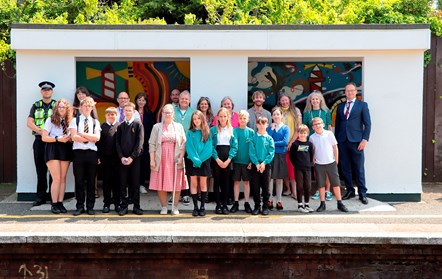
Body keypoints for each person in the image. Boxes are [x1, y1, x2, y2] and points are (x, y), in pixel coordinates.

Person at [335, 82, 371, 205]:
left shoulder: (362, 105)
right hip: (343, 141)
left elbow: (368, 124)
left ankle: (362, 193)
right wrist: (336, 142)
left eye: (352, 90)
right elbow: (338, 125)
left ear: (356, 92)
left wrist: (364, 140)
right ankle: (349, 190)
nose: (349, 93)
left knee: (359, 168)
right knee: (345, 168)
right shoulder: (340, 107)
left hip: (357, 142)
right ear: (345, 92)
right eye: (347, 91)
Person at [149, 104, 187, 215]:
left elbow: (183, 143)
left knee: (177, 183)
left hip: (175, 159)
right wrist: (152, 159)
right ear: (162, 114)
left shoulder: (179, 126)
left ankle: (175, 207)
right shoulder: (156, 127)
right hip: (161, 158)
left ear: (173, 114)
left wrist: (181, 157)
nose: (167, 114)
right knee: (160, 183)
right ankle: (164, 207)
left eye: (169, 112)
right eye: (165, 112)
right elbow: (152, 144)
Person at [69, 97, 101, 216]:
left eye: (89, 106)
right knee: (79, 181)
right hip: (78, 153)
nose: (87, 108)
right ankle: (79, 206)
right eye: (85, 106)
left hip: (91, 154)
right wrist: (89, 137)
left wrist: (81, 134)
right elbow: (74, 137)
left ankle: (90, 207)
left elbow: (97, 138)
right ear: (81, 107)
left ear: (92, 107)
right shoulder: (74, 121)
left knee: (91, 182)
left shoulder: (95, 122)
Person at [309, 117, 348, 213]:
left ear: (323, 124)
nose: (317, 125)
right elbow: (313, 150)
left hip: (331, 162)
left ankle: (340, 203)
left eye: (319, 123)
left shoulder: (329, 134)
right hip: (319, 163)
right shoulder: (312, 137)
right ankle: (322, 203)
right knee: (321, 184)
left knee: (335, 183)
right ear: (313, 127)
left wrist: (336, 160)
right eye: (315, 124)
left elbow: (335, 147)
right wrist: (313, 159)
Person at [27, 81, 56, 206]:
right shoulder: (36, 105)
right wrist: (41, 131)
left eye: (48, 89)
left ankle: (52, 196)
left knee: (53, 170)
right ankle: (41, 197)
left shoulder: (57, 105)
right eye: (44, 89)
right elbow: (29, 122)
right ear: (41, 91)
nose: (46, 91)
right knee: (40, 169)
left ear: (52, 91)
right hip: (39, 141)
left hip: (53, 142)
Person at [41, 99, 73, 214]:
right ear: (56, 108)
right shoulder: (50, 120)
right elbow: (44, 137)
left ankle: (60, 203)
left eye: (63, 107)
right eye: (59, 107)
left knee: (63, 178)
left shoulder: (70, 121)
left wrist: (69, 138)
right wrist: (57, 139)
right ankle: (54, 203)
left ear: (67, 109)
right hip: (53, 147)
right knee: (57, 178)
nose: (61, 109)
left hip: (65, 148)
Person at [302, 90, 333, 201]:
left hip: (325, 141)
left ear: (320, 100)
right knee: (316, 166)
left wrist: (331, 141)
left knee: (327, 165)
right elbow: (304, 129)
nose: (315, 101)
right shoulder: (306, 113)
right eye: (313, 99)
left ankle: (328, 190)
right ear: (310, 101)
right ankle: (319, 189)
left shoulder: (326, 111)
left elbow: (329, 127)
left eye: (317, 99)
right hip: (312, 142)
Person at [116, 102, 144, 216]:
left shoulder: (138, 125)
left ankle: (136, 206)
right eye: (126, 110)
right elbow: (117, 143)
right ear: (123, 112)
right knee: (123, 183)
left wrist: (132, 157)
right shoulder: (120, 126)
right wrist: (121, 156)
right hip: (123, 159)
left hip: (135, 159)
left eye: (130, 110)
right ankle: (124, 206)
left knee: (135, 183)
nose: (127, 112)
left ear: (134, 112)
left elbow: (140, 143)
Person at [73, 86, 100, 198]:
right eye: (78, 94)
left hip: (91, 144)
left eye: (83, 93)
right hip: (77, 145)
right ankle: (79, 195)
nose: (81, 95)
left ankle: (94, 190)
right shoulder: (74, 109)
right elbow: (74, 133)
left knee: (92, 173)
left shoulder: (92, 110)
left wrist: (84, 135)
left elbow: (96, 135)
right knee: (78, 175)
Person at [210, 107, 238, 214]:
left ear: (228, 117)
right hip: (217, 158)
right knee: (217, 182)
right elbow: (211, 146)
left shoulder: (232, 130)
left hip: (228, 158)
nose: (222, 118)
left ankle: (225, 205)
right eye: (221, 116)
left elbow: (235, 146)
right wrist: (217, 159)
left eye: (225, 116)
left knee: (226, 182)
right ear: (217, 117)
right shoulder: (213, 130)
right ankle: (218, 205)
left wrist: (229, 159)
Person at [186, 110, 213, 217]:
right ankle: (195, 207)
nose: (196, 121)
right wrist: (195, 160)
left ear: (202, 119)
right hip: (192, 161)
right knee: (193, 183)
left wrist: (200, 160)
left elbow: (209, 149)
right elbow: (189, 147)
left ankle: (202, 207)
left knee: (203, 183)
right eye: (194, 119)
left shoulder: (207, 132)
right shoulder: (190, 132)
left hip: (204, 161)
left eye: (198, 118)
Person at [249, 117, 275, 215]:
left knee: (266, 187)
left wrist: (264, 163)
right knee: (255, 187)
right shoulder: (253, 138)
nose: (261, 126)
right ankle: (256, 206)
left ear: (267, 125)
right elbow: (252, 152)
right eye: (259, 124)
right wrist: (256, 163)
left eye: (263, 124)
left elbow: (271, 153)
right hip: (256, 166)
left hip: (266, 166)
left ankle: (265, 206)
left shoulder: (269, 139)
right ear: (256, 125)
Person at [173, 90, 195, 205]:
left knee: (187, 170)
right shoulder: (172, 111)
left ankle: (186, 194)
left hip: (189, 145)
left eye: (186, 99)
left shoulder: (193, 112)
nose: (184, 100)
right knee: (176, 169)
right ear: (179, 99)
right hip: (176, 145)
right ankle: (175, 193)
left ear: (189, 100)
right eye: (182, 98)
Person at [97, 107, 121, 213]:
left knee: (117, 182)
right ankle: (106, 204)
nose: (111, 116)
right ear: (106, 115)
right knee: (106, 182)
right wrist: (98, 157)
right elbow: (98, 144)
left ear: (117, 115)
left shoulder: (120, 126)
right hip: (105, 159)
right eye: (109, 114)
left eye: (113, 114)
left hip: (117, 159)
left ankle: (117, 204)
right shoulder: (102, 127)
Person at [231, 110, 254, 214]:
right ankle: (236, 202)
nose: (243, 120)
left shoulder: (251, 132)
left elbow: (253, 148)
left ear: (248, 119)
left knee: (246, 182)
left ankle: (246, 202)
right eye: (241, 118)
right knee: (236, 182)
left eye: (245, 118)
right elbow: (234, 143)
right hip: (236, 161)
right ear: (238, 119)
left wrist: (251, 161)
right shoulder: (235, 131)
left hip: (247, 162)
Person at [278, 93, 301, 199]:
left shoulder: (296, 111)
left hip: (293, 142)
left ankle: (295, 192)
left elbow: (298, 128)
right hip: (281, 144)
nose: (284, 102)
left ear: (290, 101)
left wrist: (291, 142)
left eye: (286, 100)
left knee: (292, 167)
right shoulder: (277, 111)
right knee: (284, 167)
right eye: (282, 100)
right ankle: (287, 189)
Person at [266, 106, 290, 211]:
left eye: (278, 114)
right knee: (270, 178)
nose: (276, 116)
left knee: (279, 178)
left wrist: (272, 143)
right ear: (272, 116)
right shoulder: (269, 128)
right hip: (271, 155)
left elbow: (285, 142)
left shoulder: (285, 128)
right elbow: (266, 141)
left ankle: (279, 200)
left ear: (281, 115)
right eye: (274, 114)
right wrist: (271, 129)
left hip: (281, 155)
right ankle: (270, 199)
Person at [289, 124, 315, 213]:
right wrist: (296, 164)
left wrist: (309, 163)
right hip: (298, 168)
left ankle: (307, 204)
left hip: (307, 168)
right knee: (299, 186)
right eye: (301, 133)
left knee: (308, 186)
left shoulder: (310, 144)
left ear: (307, 133)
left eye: (304, 133)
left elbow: (311, 155)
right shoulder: (295, 144)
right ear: (298, 134)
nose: (303, 135)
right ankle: (300, 204)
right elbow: (291, 156)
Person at [134, 92, 154, 194]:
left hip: (145, 143)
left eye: (143, 100)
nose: (141, 102)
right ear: (136, 100)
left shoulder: (149, 113)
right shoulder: (131, 112)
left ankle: (141, 184)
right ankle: (132, 185)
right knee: (133, 164)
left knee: (143, 164)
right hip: (132, 143)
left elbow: (151, 129)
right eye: (139, 100)